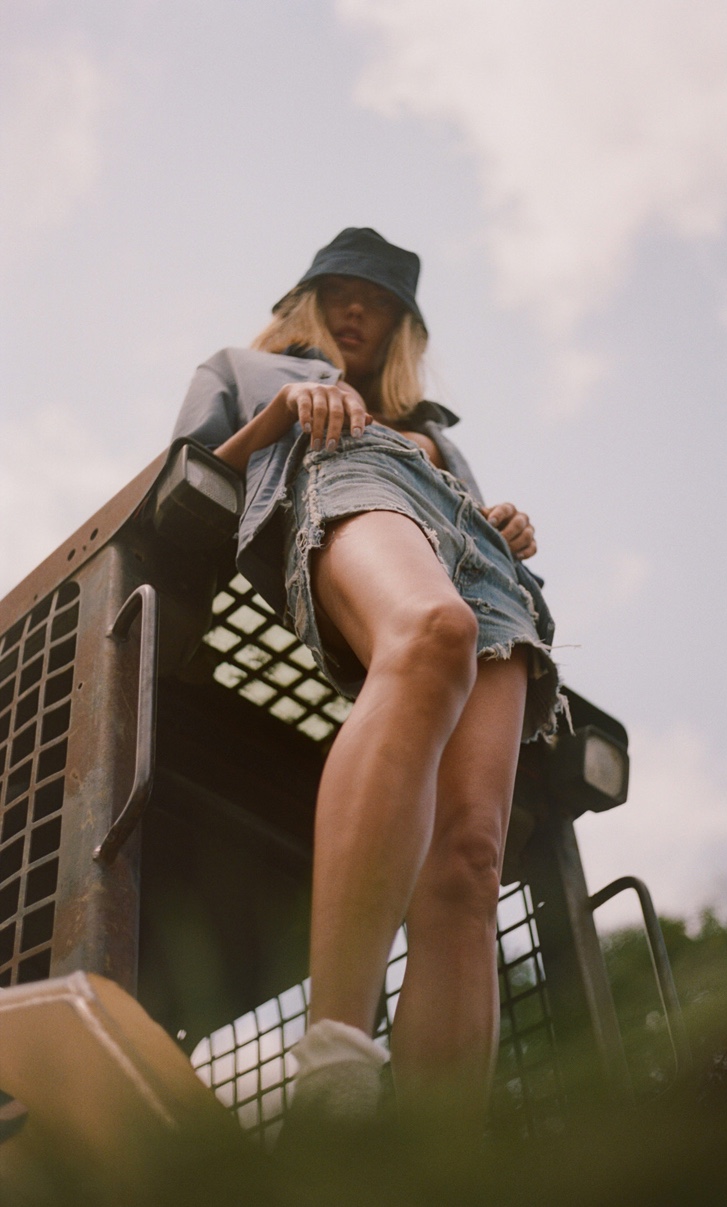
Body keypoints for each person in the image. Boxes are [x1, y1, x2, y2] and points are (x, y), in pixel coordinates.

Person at [172, 228, 561, 1142]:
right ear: (306, 299)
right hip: (348, 476)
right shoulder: (244, 368)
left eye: (379, 302)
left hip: (488, 562)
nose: (358, 311)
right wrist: (288, 413)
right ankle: (337, 1075)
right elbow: (179, 493)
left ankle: (437, 1164)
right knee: (432, 631)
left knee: (471, 859)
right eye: (341, 291)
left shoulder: (437, 436)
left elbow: (461, 522)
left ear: (401, 328)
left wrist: (498, 517)